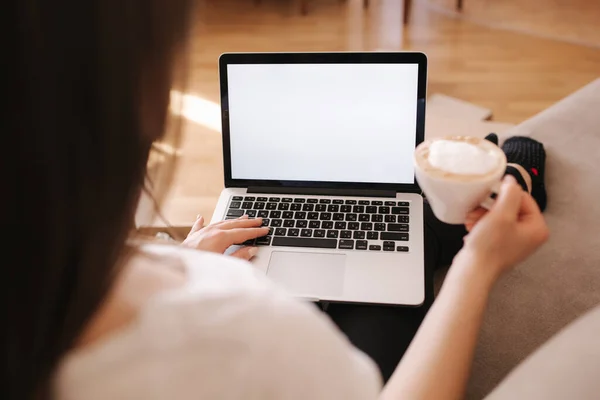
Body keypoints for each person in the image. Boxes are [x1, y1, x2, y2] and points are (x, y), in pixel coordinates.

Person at [4, 1, 549, 399]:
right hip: (345, 357)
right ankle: (512, 171)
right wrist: (477, 269)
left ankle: (507, 170)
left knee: (411, 214)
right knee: (430, 217)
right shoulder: (246, 327)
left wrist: (186, 259)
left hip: (222, 270)